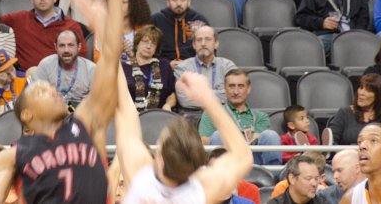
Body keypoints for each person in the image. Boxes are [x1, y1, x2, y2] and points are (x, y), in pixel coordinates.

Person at [0, 0, 142, 204]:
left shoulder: (84, 122)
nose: (52, 90)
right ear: (27, 115)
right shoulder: (13, 155)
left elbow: (110, 61)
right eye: (42, 91)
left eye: (49, 88)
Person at [114, 64, 252, 204]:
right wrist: (208, 99)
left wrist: (114, 58)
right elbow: (243, 156)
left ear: (161, 160)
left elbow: (123, 105)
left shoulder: (139, 174)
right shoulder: (203, 188)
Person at [199, 68, 282, 166]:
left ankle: (271, 175)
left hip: (254, 160)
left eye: (241, 86)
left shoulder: (261, 116)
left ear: (248, 89)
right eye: (231, 86)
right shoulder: (212, 113)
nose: (236, 92)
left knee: (270, 135)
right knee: (218, 135)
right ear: (225, 88)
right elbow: (204, 140)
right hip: (227, 162)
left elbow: (257, 138)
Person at [0, 0, 87, 69]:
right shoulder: (18, 19)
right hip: (25, 76)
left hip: (59, 75)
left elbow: (81, 60)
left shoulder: (71, 26)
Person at [174, 25, 236, 116]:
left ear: (216, 44)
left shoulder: (228, 66)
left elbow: (233, 94)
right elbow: (185, 100)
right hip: (193, 118)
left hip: (223, 115)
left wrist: (197, 94)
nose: (203, 43)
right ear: (194, 45)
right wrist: (219, 93)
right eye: (199, 40)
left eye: (208, 39)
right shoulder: (182, 68)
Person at [328, 73, 381, 146]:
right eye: (361, 88)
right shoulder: (344, 113)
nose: (361, 93)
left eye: (368, 90)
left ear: (378, 96)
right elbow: (330, 142)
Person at [33, 30, 96, 107]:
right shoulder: (46, 66)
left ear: (79, 47)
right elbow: (36, 98)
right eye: (62, 45)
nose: (66, 50)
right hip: (51, 110)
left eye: (70, 45)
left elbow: (98, 103)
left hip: (81, 112)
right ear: (56, 47)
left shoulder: (91, 69)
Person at [152, 0, 208, 65]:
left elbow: (209, 50)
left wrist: (191, 64)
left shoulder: (200, 20)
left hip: (193, 67)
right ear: (167, 2)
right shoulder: (156, 20)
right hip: (163, 68)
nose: (178, 3)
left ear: (189, 1)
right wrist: (167, 64)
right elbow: (147, 50)